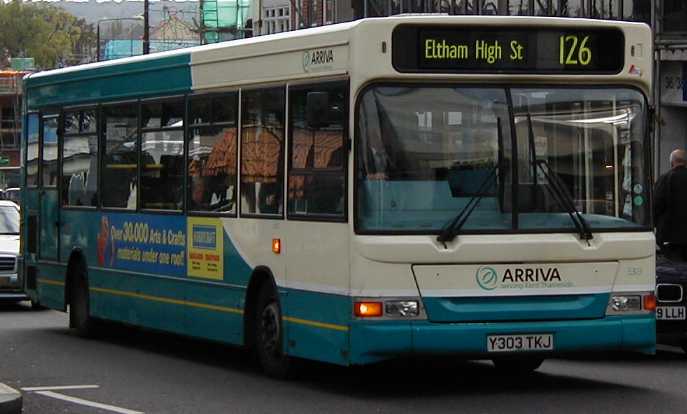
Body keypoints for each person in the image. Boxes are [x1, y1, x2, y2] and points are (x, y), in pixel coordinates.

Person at [655, 149, 687, 261]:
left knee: (673, 270)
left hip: (670, 236)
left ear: (672, 163)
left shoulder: (665, 179)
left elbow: (657, 205)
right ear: (685, 162)